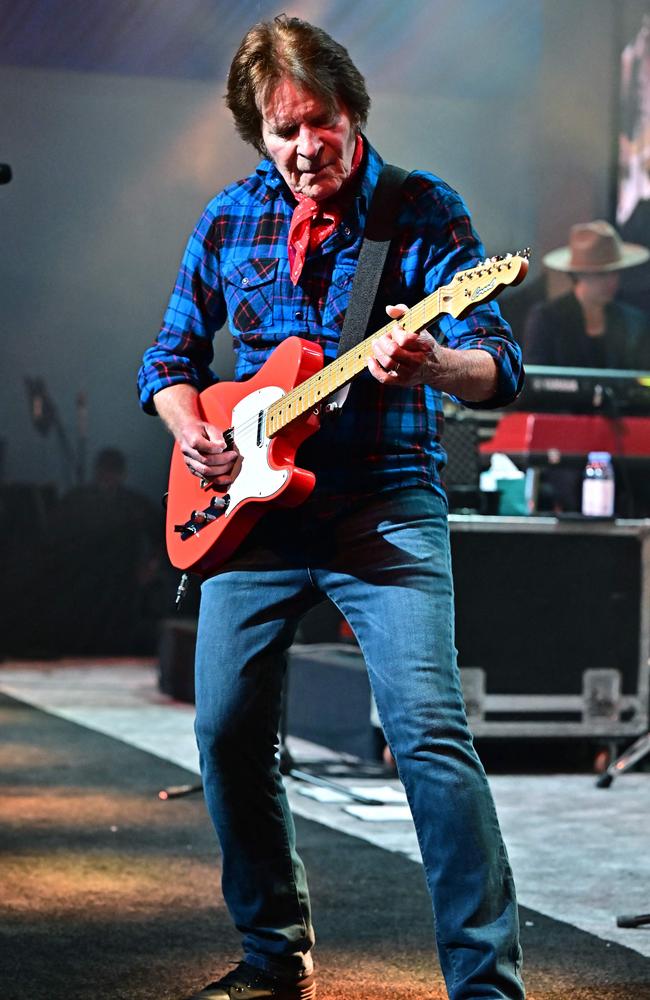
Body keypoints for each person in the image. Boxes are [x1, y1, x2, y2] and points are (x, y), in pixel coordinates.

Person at [138, 16, 525, 1000]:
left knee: (427, 734)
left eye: (320, 123)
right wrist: (192, 432)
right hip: (254, 518)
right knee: (224, 732)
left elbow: (496, 365)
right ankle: (273, 956)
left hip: (383, 505)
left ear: (353, 111)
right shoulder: (229, 218)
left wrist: (432, 359)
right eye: (280, 131)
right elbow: (169, 362)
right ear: (254, 133)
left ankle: (484, 984)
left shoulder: (420, 210)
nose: (303, 148)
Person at [523, 220, 650, 368]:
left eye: (615, 272)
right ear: (579, 274)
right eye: (601, 274)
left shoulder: (634, 322)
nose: (612, 281)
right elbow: (535, 380)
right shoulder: (546, 319)